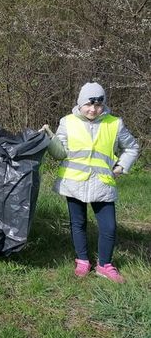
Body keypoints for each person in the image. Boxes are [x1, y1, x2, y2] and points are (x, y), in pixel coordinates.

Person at [43, 82, 139, 283]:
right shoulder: (67, 122)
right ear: (80, 103)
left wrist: (121, 166)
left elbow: (132, 147)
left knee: (109, 227)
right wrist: (49, 139)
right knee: (78, 224)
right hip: (74, 183)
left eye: (98, 105)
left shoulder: (114, 123)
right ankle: (83, 261)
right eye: (88, 104)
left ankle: (104, 265)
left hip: (102, 184)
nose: (93, 109)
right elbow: (60, 153)